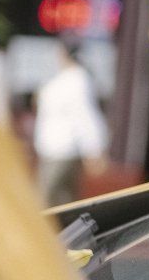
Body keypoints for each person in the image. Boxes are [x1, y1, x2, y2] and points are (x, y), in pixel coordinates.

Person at [33, 38, 110, 206]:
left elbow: (84, 116)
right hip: (56, 151)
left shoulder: (77, 80)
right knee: (65, 202)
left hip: (62, 152)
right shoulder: (66, 78)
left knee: (45, 202)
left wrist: (94, 149)